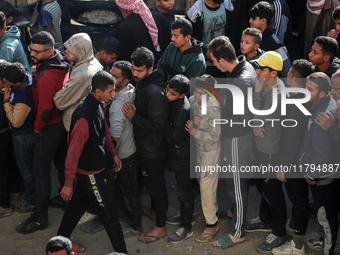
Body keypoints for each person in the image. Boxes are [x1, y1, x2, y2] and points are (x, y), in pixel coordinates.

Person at [57, 71, 127, 255]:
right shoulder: (83, 117)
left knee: (75, 209)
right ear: (97, 91)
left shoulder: (97, 104)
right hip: (90, 174)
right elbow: (73, 153)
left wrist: (113, 154)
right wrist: (68, 183)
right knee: (110, 214)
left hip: (95, 168)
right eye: (110, 91)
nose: (113, 94)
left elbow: (104, 131)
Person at [16, 31, 69, 234]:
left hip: (49, 128)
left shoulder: (46, 76)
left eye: (37, 51)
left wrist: (38, 128)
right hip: (62, 124)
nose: (32, 54)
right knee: (61, 165)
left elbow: (45, 112)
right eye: (31, 49)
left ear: (49, 51)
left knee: (40, 172)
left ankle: (39, 217)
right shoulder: (61, 59)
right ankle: (66, 200)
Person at [208, 36, 256, 249]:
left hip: (238, 136)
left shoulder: (240, 82)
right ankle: (235, 212)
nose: (213, 64)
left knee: (237, 183)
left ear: (221, 59)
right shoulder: (245, 65)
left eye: (214, 60)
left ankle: (238, 232)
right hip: (237, 134)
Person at [122, 47, 169, 244]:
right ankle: (154, 212)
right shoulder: (144, 84)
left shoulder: (154, 91)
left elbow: (157, 125)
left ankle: (161, 227)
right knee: (150, 185)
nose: (135, 74)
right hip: (145, 146)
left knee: (156, 186)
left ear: (150, 69)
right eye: (133, 69)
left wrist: (134, 118)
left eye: (139, 71)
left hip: (153, 149)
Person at [246, 51, 287, 254]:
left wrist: (255, 94)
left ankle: (279, 232)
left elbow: (259, 117)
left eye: (261, 68)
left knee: (272, 191)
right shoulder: (266, 85)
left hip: (271, 150)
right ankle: (265, 219)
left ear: (273, 72)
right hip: (262, 146)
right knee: (263, 185)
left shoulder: (277, 93)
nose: (257, 71)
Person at [273, 59, 314, 255]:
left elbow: (290, 139)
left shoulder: (293, 102)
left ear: (291, 75)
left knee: (299, 199)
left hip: (295, 160)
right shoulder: (306, 97)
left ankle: (297, 244)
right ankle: (296, 228)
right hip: (304, 157)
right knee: (300, 198)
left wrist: (283, 166)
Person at [298, 72, 338, 255]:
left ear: (322, 93)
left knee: (325, 217)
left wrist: (311, 173)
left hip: (321, 177)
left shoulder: (323, 115)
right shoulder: (320, 106)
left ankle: (329, 250)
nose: (305, 92)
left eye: (309, 89)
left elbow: (323, 154)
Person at [185, 74, 221, 243]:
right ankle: (209, 212)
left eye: (202, 94)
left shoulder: (214, 108)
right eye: (196, 92)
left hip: (210, 153)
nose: (198, 96)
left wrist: (194, 130)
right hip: (198, 151)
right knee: (202, 185)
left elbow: (215, 136)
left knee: (207, 188)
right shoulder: (192, 100)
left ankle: (212, 223)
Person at [108, 61, 143, 237]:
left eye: (115, 77)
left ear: (126, 79)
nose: (110, 77)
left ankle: (136, 225)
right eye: (110, 73)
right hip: (132, 149)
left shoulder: (117, 106)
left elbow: (115, 136)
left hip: (124, 154)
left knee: (130, 192)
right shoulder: (130, 90)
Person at [163, 74, 194, 243]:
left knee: (185, 192)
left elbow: (175, 137)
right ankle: (184, 215)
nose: (167, 94)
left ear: (182, 95)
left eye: (172, 93)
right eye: (167, 89)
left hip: (183, 156)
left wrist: (162, 123)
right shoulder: (176, 102)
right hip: (180, 154)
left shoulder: (181, 111)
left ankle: (186, 226)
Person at [54, 32, 103, 132]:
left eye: (71, 50)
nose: (66, 51)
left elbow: (59, 101)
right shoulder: (93, 61)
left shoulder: (82, 76)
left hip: (74, 125)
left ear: (80, 51)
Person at [3, 62, 35, 213]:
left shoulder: (22, 96)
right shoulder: (26, 76)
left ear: (16, 83)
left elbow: (16, 122)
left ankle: (31, 200)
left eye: (7, 82)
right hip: (25, 133)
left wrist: (6, 102)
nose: (5, 83)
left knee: (26, 169)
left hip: (23, 136)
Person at [185, 0, 233, 76]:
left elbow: (234, 29)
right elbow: (189, 40)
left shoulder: (228, 5)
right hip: (205, 65)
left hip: (226, 62)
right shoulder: (195, 11)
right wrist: (205, 53)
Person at [249, 1, 291, 77]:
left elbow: (286, 71)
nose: (250, 21)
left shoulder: (275, 44)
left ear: (263, 21)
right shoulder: (255, 37)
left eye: (253, 18)